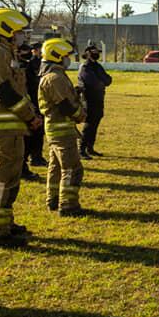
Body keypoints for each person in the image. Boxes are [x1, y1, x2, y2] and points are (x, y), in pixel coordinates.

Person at [0, 8, 42, 247]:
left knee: (12, 175)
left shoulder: (7, 53)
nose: (22, 36)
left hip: (14, 127)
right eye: (19, 31)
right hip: (4, 127)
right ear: (7, 30)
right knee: (3, 177)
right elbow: (4, 91)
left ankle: (5, 222)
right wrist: (29, 115)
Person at [38, 38, 88, 215]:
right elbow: (66, 106)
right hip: (61, 130)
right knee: (72, 168)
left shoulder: (53, 75)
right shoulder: (55, 77)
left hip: (55, 128)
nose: (69, 59)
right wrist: (80, 114)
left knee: (56, 167)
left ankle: (53, 200)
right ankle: (68, 205)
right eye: (67, 56)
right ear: (57, 55)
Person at [78, 41, 112, 158]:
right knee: (89, 125)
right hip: (89, 100)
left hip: (98, 99)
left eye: (97, 52)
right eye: (94, 52)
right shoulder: (85, 67)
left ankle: (90, 147)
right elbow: (93, 82)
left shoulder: (97, 66)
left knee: (95, 124)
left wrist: (101, 81)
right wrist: (101, 81)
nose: (96, 54)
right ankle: (81, 149)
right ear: (87, 53)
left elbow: (108, 80)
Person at [19, 42, 41, 181]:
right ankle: (23, 167)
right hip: (24, 107)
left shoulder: (26, 65)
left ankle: (29, 162)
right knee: (26, 139)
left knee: (33, 136)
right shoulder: (23, 66)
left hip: (30, 104)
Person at [26, 42, 48, 167]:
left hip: (40, 100)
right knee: (35, 131)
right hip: (34, 100)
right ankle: (34, 157)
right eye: (39, 50)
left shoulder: (42, 63)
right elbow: (31, 83)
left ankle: (38, 156)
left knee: (40, 132)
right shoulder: (31, 64)